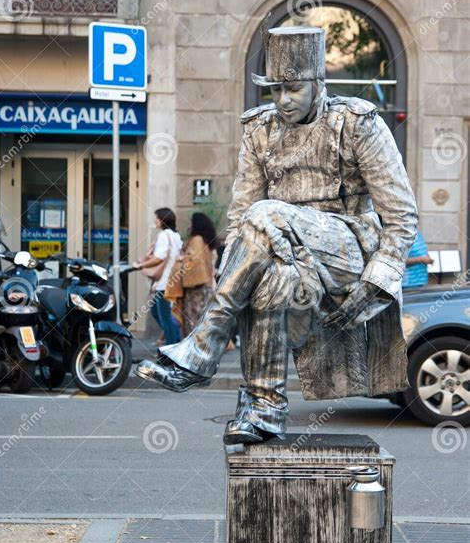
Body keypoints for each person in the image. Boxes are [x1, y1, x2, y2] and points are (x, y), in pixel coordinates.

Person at [136, 25, 418, 446]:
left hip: (347, 254)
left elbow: (402, 216)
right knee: (271, 281)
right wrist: (239, 266)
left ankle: (207, 339)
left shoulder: (357, 123)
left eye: (293, 88)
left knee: (264, 211)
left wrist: (378, 281)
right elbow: (238, 221)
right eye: (274, 89)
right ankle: (265, 410)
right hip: (285, 256)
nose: (283, 100)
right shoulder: (259, 130)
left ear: (318, 83)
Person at [134, 208, 183, 345]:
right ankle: (176, 341)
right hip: (172, 281)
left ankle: (172, 349)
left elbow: (159, 257)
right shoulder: (176, 235)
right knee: (157, 312)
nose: (155, 221)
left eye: (157, 218)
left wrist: (141, 265)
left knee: (165, 317)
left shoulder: (164, 235)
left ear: (163, 220)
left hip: (164, 283)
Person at [179, 212, 217, 336]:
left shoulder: (196, 240)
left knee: (193, 321)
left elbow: (193, 261)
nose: (189, 224)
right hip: (205, 285)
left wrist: (180, 258)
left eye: (191, 222)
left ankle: (194, 351)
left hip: (196, 287)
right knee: (203, 321)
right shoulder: (207, 241)